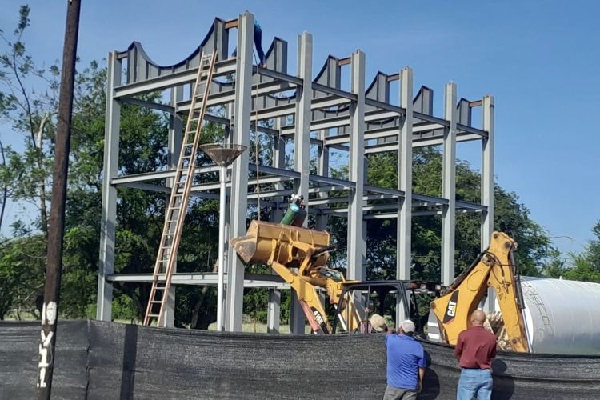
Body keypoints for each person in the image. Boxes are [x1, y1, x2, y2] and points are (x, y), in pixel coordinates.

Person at [453, 310, 497, 400]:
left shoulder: (464, 334)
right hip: (485, 373)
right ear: (484, 321)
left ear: (472, 319)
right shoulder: (491, 337)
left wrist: (461, 359)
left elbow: (457, 352)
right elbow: (492, 355)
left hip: (468, 373)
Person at [384, 320, 426, 400]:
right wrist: (420, 382)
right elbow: (421, 368)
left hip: (394, 385)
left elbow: (388, 333)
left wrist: (392, 330)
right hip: (411, 385)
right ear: (412, 332)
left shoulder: (392, 340)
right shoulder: (418, 346)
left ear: (400, 329)